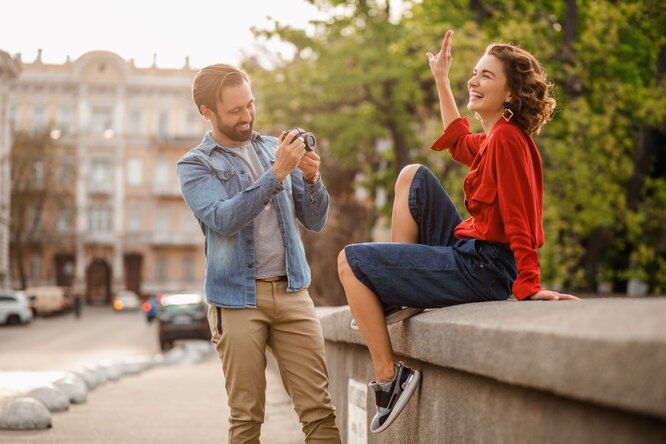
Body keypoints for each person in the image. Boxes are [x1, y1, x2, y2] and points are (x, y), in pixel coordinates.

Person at [337, 30, 580, 434]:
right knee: (412, 175)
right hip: (473, 251)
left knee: (351, 261)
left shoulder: (506, 140)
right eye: (474, 73)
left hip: (483, 266)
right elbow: (458, 142)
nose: (475, 81)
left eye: (486, 76)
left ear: (510, 94)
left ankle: (389, 379)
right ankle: (400, 291)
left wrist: (529, 284)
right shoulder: (494, 138)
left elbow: (520, 217)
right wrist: (441, 78)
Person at [177, 64, 341, 443]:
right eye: (235, 110)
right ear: (207, 112)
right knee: (247, 416)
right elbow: (223, 219)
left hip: (292, 293)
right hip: (236, 300)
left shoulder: (272, 148)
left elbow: (314, 221)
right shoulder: (196, 164)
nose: (247, 116)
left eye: (249, 104)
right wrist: (276, 175)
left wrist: (313, 179)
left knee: (319, 412)